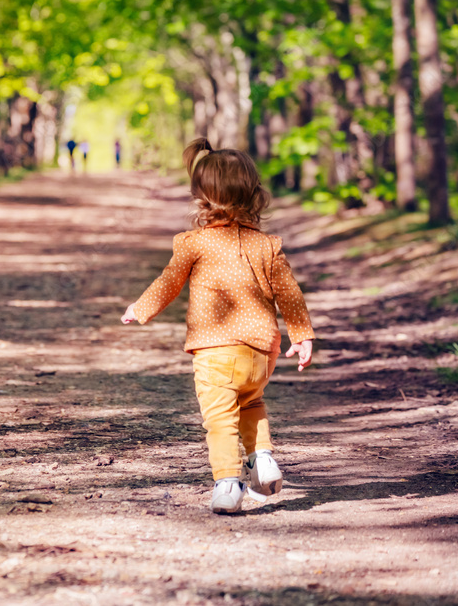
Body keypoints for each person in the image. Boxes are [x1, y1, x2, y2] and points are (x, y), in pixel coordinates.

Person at [121, 137, 315, 514]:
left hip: (216, 350)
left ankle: (227, 482)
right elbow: (289, 293)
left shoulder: (193, 243)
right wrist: (302, 334)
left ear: (202, 197)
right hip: (263, 350)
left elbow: (167, 283)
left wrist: (140, 308)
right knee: (251, 401)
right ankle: (263, 460)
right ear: (253, 193)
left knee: (220, 419)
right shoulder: (268, 245)